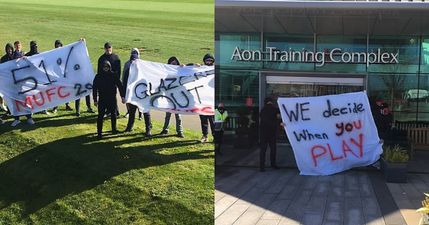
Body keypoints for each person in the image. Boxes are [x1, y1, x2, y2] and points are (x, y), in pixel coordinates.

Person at [123, 48, 152, 136]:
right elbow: (124, 82)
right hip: (133, 94)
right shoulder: (128, 69)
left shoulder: (143, 69)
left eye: (135, 60)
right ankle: (129, 127)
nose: (134, 62)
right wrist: (124, 94)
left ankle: (148, 129)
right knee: (132, 111)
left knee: (146, 112)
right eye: (132, 60)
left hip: (142, 95)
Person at [93, 60, 125, 139]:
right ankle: (99, 133)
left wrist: (122, 96)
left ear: (109, 67)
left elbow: (120, 86)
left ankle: (114, 129)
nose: (105, 68)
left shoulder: (114, 75)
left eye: (107, 67)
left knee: (113, 114)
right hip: (102, 98)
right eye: (104, 67)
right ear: (102, 67)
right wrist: (95, 100)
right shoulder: (98, 76)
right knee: (100, 115)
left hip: (112, 98)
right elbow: (94, 88)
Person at [11, 40, 34, 127]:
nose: (18, 47)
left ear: (21, 46)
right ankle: (17, 119)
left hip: (24, 81)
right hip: (15, 82)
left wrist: (25, 57)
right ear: (15, 47)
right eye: (16, 46)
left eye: (19, 45)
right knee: (15, 100)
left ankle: (29, 117)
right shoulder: (14, 55)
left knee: (26, 100)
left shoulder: (24, 55)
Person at [160, 56, 184, 138]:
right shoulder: (167, 72)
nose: (174, 64)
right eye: (172, 63)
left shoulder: (180, 71)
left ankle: (180, 131)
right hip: (169, 96)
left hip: (178, 96)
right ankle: (165, 129)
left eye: (175, 63)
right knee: (168, 114)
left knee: (178, 115)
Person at [98, 42, 121, 116]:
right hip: (104, 81)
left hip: (113, 80)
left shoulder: (116, 58)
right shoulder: (101, 58)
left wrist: (117, 80)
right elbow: (99, 71)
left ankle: (115, 111)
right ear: (104, 49)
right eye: (107, 48)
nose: (108, 50)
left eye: (109, 48)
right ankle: (107, 111)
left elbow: (119, 70)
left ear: (112, 48)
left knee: (113, 96)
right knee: (105, 96)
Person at [259, 97, 281, 172]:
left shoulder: (262, 110)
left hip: (263, 132)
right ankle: (273, 164)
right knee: (273, 149)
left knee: (263, 150)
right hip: (272, 132)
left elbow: (263, 120)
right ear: (271, 102)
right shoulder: (275, 109)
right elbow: (278, 118)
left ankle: (262, 166)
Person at [52, 40, 73, 113]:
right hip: (57, 76)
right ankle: (55, 107)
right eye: (57, 45)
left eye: (59, 45)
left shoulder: (64, 53)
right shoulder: (53, 54)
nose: (58, 47)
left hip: (65, 75)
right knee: (57, 91)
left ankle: (67, 104)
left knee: (66, 91)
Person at [199, 53, 215, 143]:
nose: (208, 62)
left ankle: (214, 136)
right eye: (207, 61)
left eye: (210, 61)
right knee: (203, 119)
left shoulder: (215, 70)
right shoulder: (201, 70)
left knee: (212, 120)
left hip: (211, 101)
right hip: (202, 100)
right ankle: (205, 135)